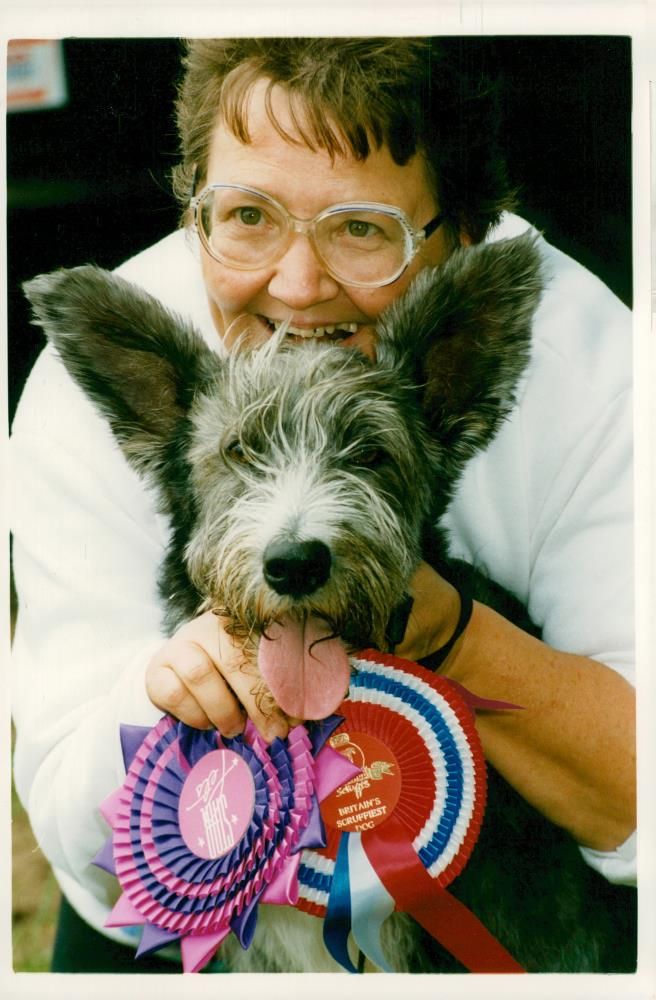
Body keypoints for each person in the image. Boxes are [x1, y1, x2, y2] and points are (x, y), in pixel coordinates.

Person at [10, 37, 636, 973]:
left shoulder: (600, 373)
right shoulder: (96, 379)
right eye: (248, 215)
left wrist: (448, 632)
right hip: (172, 922)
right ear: (194, 209)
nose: (298, 288)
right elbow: (78, 836)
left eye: (361, 229)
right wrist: (166, 692)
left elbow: (637, 805)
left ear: (465, 234)